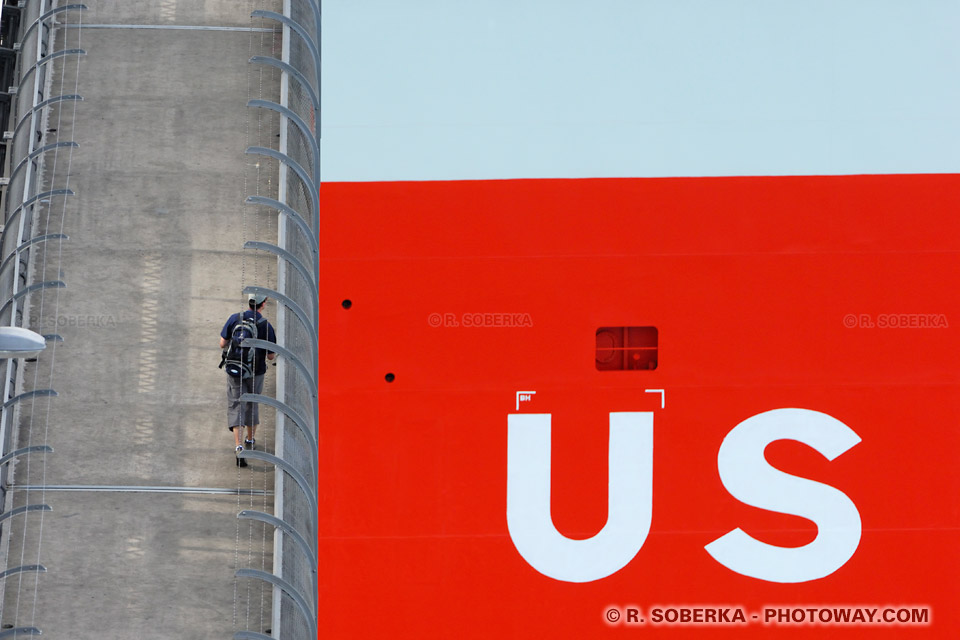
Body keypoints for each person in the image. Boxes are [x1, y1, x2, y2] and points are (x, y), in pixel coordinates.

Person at [220, 293, 277, 466]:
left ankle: (238, 446)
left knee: (237, 404)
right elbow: (270, 356)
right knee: (252, 403)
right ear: (263, 304)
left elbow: (222, 343)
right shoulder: (265, 326)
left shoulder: (234, 318)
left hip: (235, 370)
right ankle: (250, 440)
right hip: (256, 372)